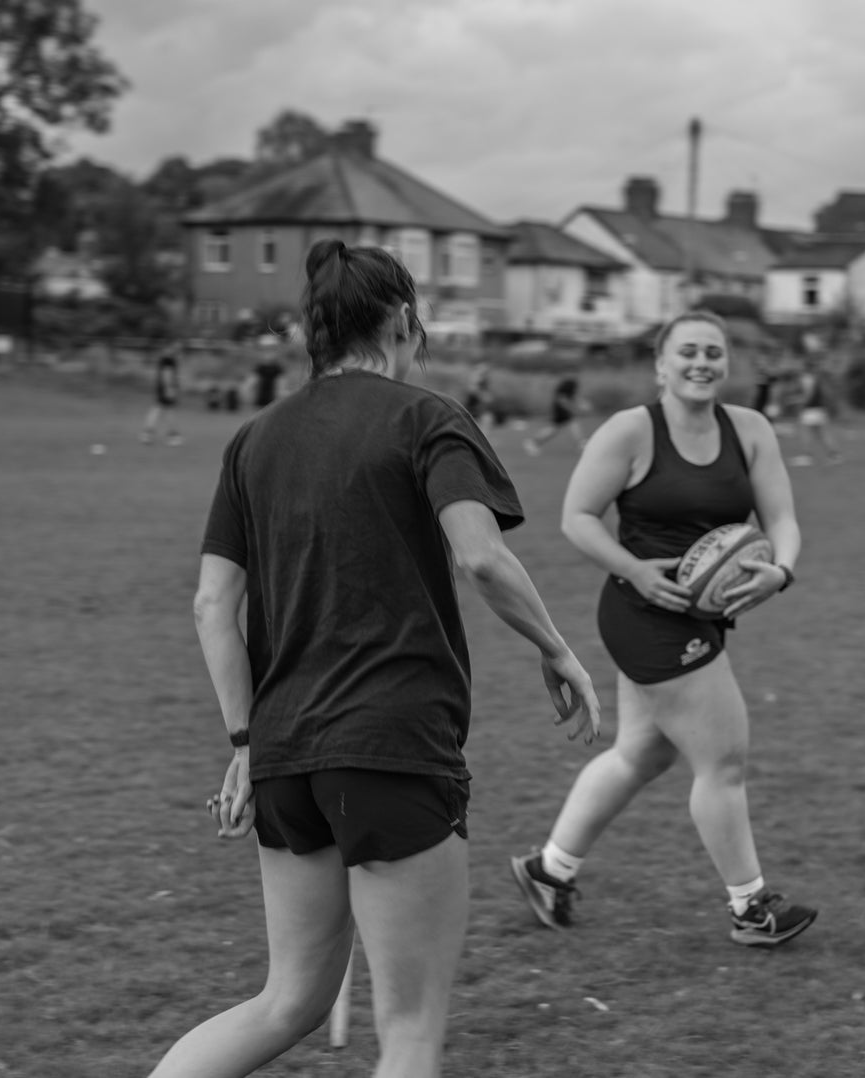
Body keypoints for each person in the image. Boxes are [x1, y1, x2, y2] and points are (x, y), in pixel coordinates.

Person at [153, 240, 603, 1078]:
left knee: (287, 1001)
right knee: (409, 1032)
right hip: (393, 747)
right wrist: (557, 648)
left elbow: (213, 605)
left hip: (284, 753)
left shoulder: (253, 440)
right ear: (401, 319)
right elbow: (481, 557)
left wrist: (246, 745)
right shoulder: (427, 419)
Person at [509, 309, 818, 949]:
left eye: (713, 352)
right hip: (644, 615)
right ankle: (750, 908)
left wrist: (781, 571)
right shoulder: (631, 431)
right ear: (660, 366)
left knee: (641, 754)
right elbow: (577, 517)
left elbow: (782, 518)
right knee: (723, 760)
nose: (702, 363)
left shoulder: (750, 430)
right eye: (688, 352)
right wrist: (635, 571)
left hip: (703, 614)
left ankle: (549, 870)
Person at [790, 360, 842, 467]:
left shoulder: (807, 378)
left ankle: (807, 456)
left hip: (810, 410)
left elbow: (807, 396)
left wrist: (796, 400)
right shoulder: (818, 378)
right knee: (823, 434)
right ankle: (834, 455)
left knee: (805, 432)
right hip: (820, 409)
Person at [523, 375, 589, 455]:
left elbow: (573, 398)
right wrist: (572, 409)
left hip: (560, 408)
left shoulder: (570, 386)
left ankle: (534, 442)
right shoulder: (569, 385)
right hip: (560, 408)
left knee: (554, 428)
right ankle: (581, 443)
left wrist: (580, 405)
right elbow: (562, 400)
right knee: (571, 423)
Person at [142, 348, 185, 446]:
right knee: (168, 411)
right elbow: (167, 374)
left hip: (162, 388)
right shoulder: (168, 360)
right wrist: (169, 388)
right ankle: (173, 436)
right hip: (166, 388)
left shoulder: (165, 358)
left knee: (157, 409)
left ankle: (147, 434)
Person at [463, 359, 495, 431]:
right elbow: (472, 390)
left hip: (479, 406)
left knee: (486, 419)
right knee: (483, 419)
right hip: (475, 406)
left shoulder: (482, 379)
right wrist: (483, 396)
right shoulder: (475, 377)